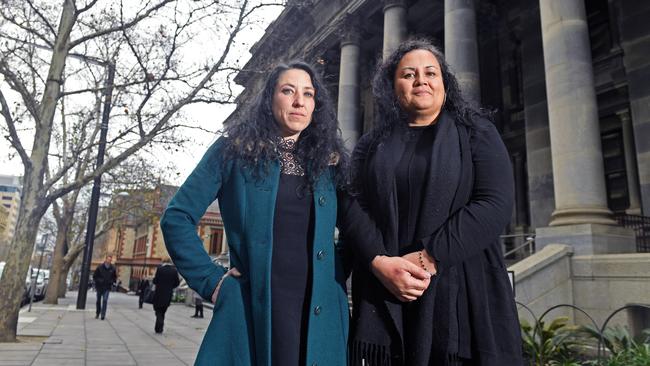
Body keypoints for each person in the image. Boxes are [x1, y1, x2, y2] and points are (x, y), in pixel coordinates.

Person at [160, 60, 393, 366]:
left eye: (308, 94)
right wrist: (211, 280)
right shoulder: (233, 152)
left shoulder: (328, 164)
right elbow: (177, 217)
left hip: (319, 312)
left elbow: (353, 226)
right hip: (253, 307)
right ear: (269, 98)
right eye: (288, 91)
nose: (299, 101)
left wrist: (334, 274)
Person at [348, 38, 523, 365]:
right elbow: (353, 206)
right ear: (392, 85)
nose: (421, 80)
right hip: (385, 288)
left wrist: (428, 258)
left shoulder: (476, 133)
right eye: (408, 74)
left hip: (460, 291)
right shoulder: (371, 145)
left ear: (445, 83)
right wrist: (380, 262)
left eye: (431, 72)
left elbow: (494, 204)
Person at [152, 257, 180, 334]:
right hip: (168, 294)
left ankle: (159, 325)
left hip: (159, 293)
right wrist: (170, 287)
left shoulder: (160, 269)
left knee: (158, 310)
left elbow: (155, 281)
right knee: (163, 310)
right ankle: (160, 326)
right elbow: (177, 283)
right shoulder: (174, 271)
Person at [92, 254, 117, 320]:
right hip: (99, 287)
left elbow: (114, 278)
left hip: (107, 287)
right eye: (108, 259)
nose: (109, 261)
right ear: (105, 259)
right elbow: (95, 276)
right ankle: (98, 313)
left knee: (105, 300)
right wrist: (99, 281)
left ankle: (103, 314)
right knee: (98, 300)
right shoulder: (100, 267)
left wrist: (112, 282)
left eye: (110, 260)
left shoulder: (113, 268)